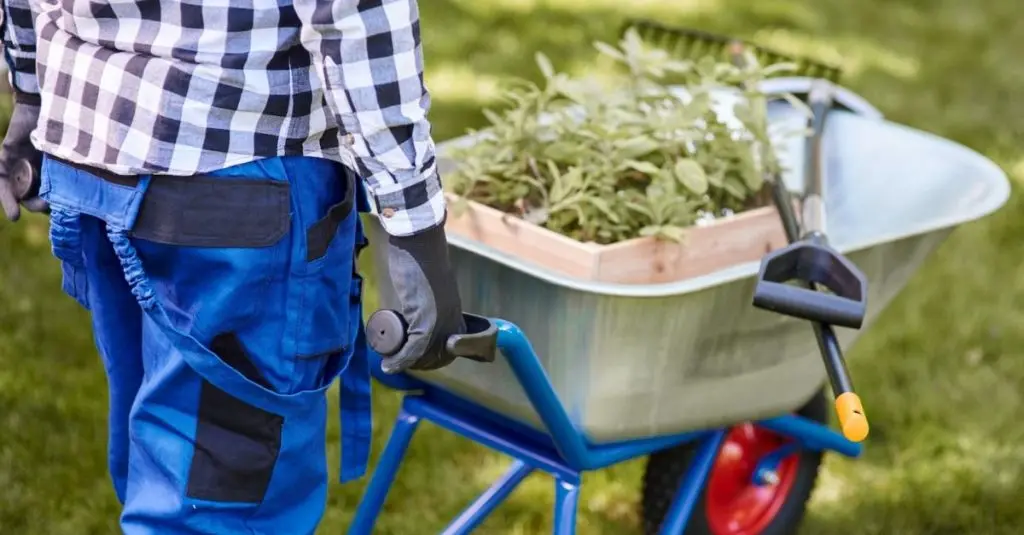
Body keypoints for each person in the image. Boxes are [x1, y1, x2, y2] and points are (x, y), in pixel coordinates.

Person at [0, 0, 466, 532]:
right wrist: (414, 225)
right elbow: (358, 14)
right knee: (217, 509)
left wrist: (32, 89)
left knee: (171, 477)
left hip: (92, 146)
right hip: (236, 184)